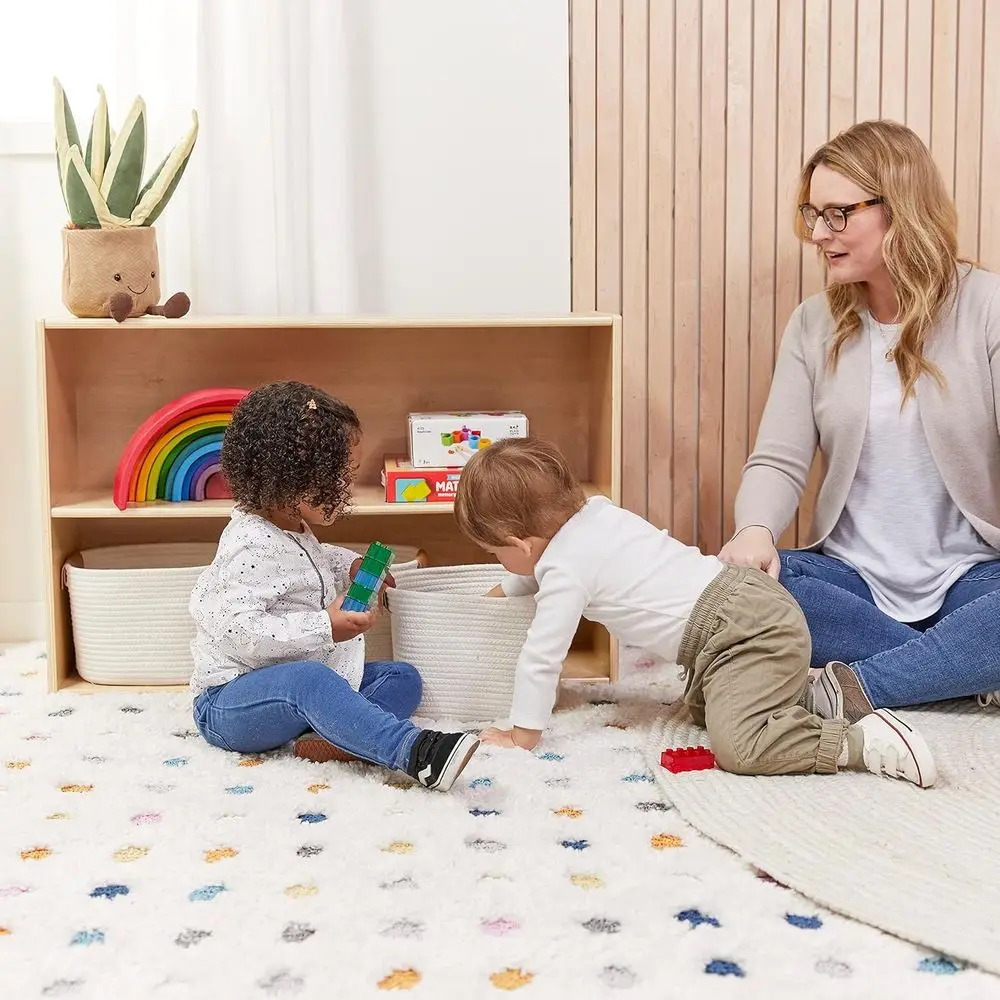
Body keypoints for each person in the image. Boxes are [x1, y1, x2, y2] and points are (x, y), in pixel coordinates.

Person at [718, 119, 1000, 722]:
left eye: (838, 214)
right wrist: (755, 531)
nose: (820, 233)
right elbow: (778, 459)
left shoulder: (987, 309)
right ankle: (950, 673)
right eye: (813, 214)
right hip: (850, 584)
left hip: (971, 582)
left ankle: (855, 687)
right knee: (743, 589)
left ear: (898, 208)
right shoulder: (814, 323)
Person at [453, 436, 937, 787]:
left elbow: (542, 654)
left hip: (741, 631)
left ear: (521, 542)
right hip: (738, 610)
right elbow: (528, 572)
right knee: (704, 709)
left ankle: (864, 744)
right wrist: (489, 597)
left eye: (497, 553)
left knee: (740, 746)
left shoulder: (563, 569)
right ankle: (818, 696)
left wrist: (522, 734)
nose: (503, 563)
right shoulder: (595, 515)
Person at [188, 380, 479, 792]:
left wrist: (353, 564)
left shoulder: (289, 527)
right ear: (291, 481)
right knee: (308, 680)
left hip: (297, 689)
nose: (347, 490)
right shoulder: (248, 544)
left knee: (401, 678)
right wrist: (326, 625)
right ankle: (414, 752)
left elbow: (313, 560)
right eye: (341, 477)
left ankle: (333, 739)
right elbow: (240, 632)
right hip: (230, 704)